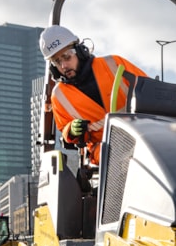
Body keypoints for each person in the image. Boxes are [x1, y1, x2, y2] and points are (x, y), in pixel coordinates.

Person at [39, 24, 147, 165]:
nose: (64, 66)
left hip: (141, 135)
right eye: (57, 61)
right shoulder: (59, 96)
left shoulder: (113, 64)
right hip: (104, 150)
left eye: (66, 57)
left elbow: (149, 91)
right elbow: (66, 132)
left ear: (79, 51)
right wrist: (71, 131)